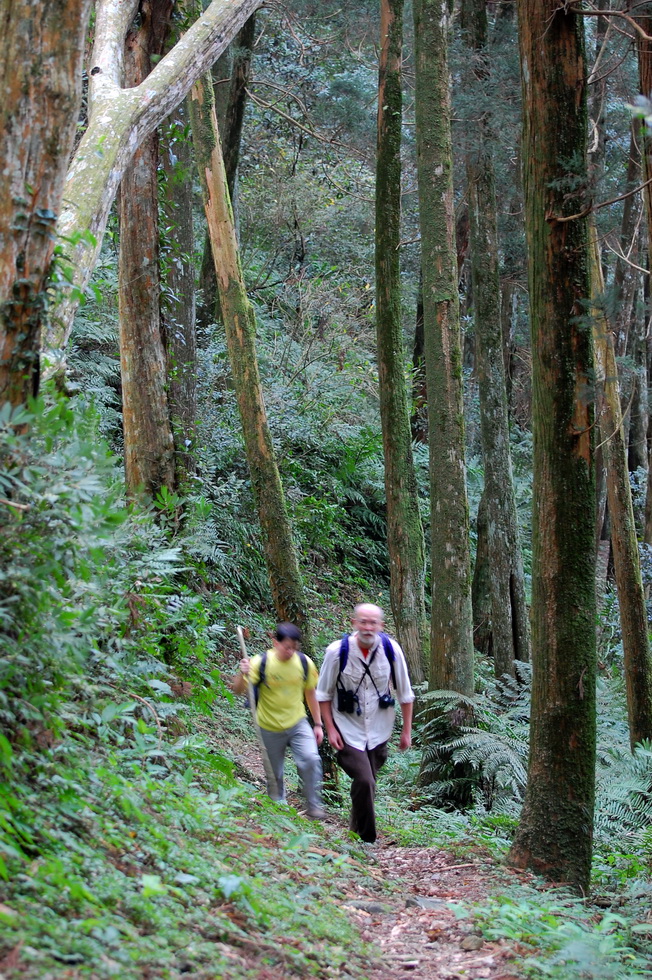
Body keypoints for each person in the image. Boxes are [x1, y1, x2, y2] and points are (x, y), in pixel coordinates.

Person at [316, 603, 414, 843]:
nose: (368, 627)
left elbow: (405, 694)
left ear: (381, 626)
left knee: (366, 785)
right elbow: (323, 695)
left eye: (373, 623)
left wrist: (406, 732)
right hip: (346, 727)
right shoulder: (337, 652)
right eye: (363, 622)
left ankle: (353, 836)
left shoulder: (392, 650)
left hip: (380, 728)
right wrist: (330, 729)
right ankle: (368, 840)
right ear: (354, 623)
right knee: (364, 780)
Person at [232, 622, 325, 819]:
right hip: (268, 725)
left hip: (298, 722)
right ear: (275, 642)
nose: (291, 651)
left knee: (310, 759)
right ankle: (279, 813)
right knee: (275, 774)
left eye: (294, 647)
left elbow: (311, 693)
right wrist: (243, 673)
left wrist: (317, 724)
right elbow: (239, 690)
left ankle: (314, 805)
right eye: (287, 647)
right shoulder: (260, 662)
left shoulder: (304, 663)